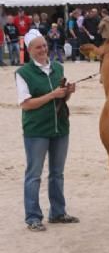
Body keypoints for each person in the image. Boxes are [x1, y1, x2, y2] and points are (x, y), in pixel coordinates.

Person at [15, 29, 79, 231]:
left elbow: (61, 99)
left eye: (44, 45)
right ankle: (33, 217)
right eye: (38, 47)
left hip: (60, 127)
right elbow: (26, 104)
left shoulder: (58, 68)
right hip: (36, 130)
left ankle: (58, 212)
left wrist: (67, 93)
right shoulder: (23, 73)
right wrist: (52, 95)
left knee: (57, 173)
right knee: (34, 174)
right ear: (30, 50)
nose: (43, 49)